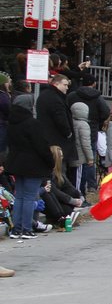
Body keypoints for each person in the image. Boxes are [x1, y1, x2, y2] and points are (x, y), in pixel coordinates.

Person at [6, 95, 55, 240]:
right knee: (29, 198)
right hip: (33, 165)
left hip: (16, 163)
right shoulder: (32, 123)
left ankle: (16, 229)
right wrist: (50, 162)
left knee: (20, 196)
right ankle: (27, 229)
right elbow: (42, 146)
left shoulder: (12, 123)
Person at [70, 102, 97, 197]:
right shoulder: (84, 125)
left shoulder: (71, 122)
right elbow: (86, 143)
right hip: (80, 157)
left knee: (73, 177)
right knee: (79, 178)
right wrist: (90, 157)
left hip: (72, 154)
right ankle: (78, 196)